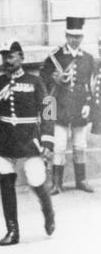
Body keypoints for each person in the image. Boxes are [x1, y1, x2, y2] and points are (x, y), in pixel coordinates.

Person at [0, 41, 55, 246]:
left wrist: (47, 140)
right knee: (6, 183)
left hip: (29, 139)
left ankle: (48, 211)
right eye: (4, 57)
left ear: (21, 57)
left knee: (36, 180)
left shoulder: (35, 82)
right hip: (4, 141)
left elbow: (49, 109)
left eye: (10, 56)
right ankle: (12, 231)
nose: (6, 61)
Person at [41, 16, 95, 194]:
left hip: (79, 107)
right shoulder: (54, 57)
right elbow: (43, 81)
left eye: (78, 37)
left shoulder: (88, 58)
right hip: (60, 107)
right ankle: (57, 184)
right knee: (59, 146)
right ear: (66, 35)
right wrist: (54, 78)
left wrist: (88, 104)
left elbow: (90, 84)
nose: (74, 40)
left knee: (80, 145)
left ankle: (81, 180)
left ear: (82, 38)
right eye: (71, 36)